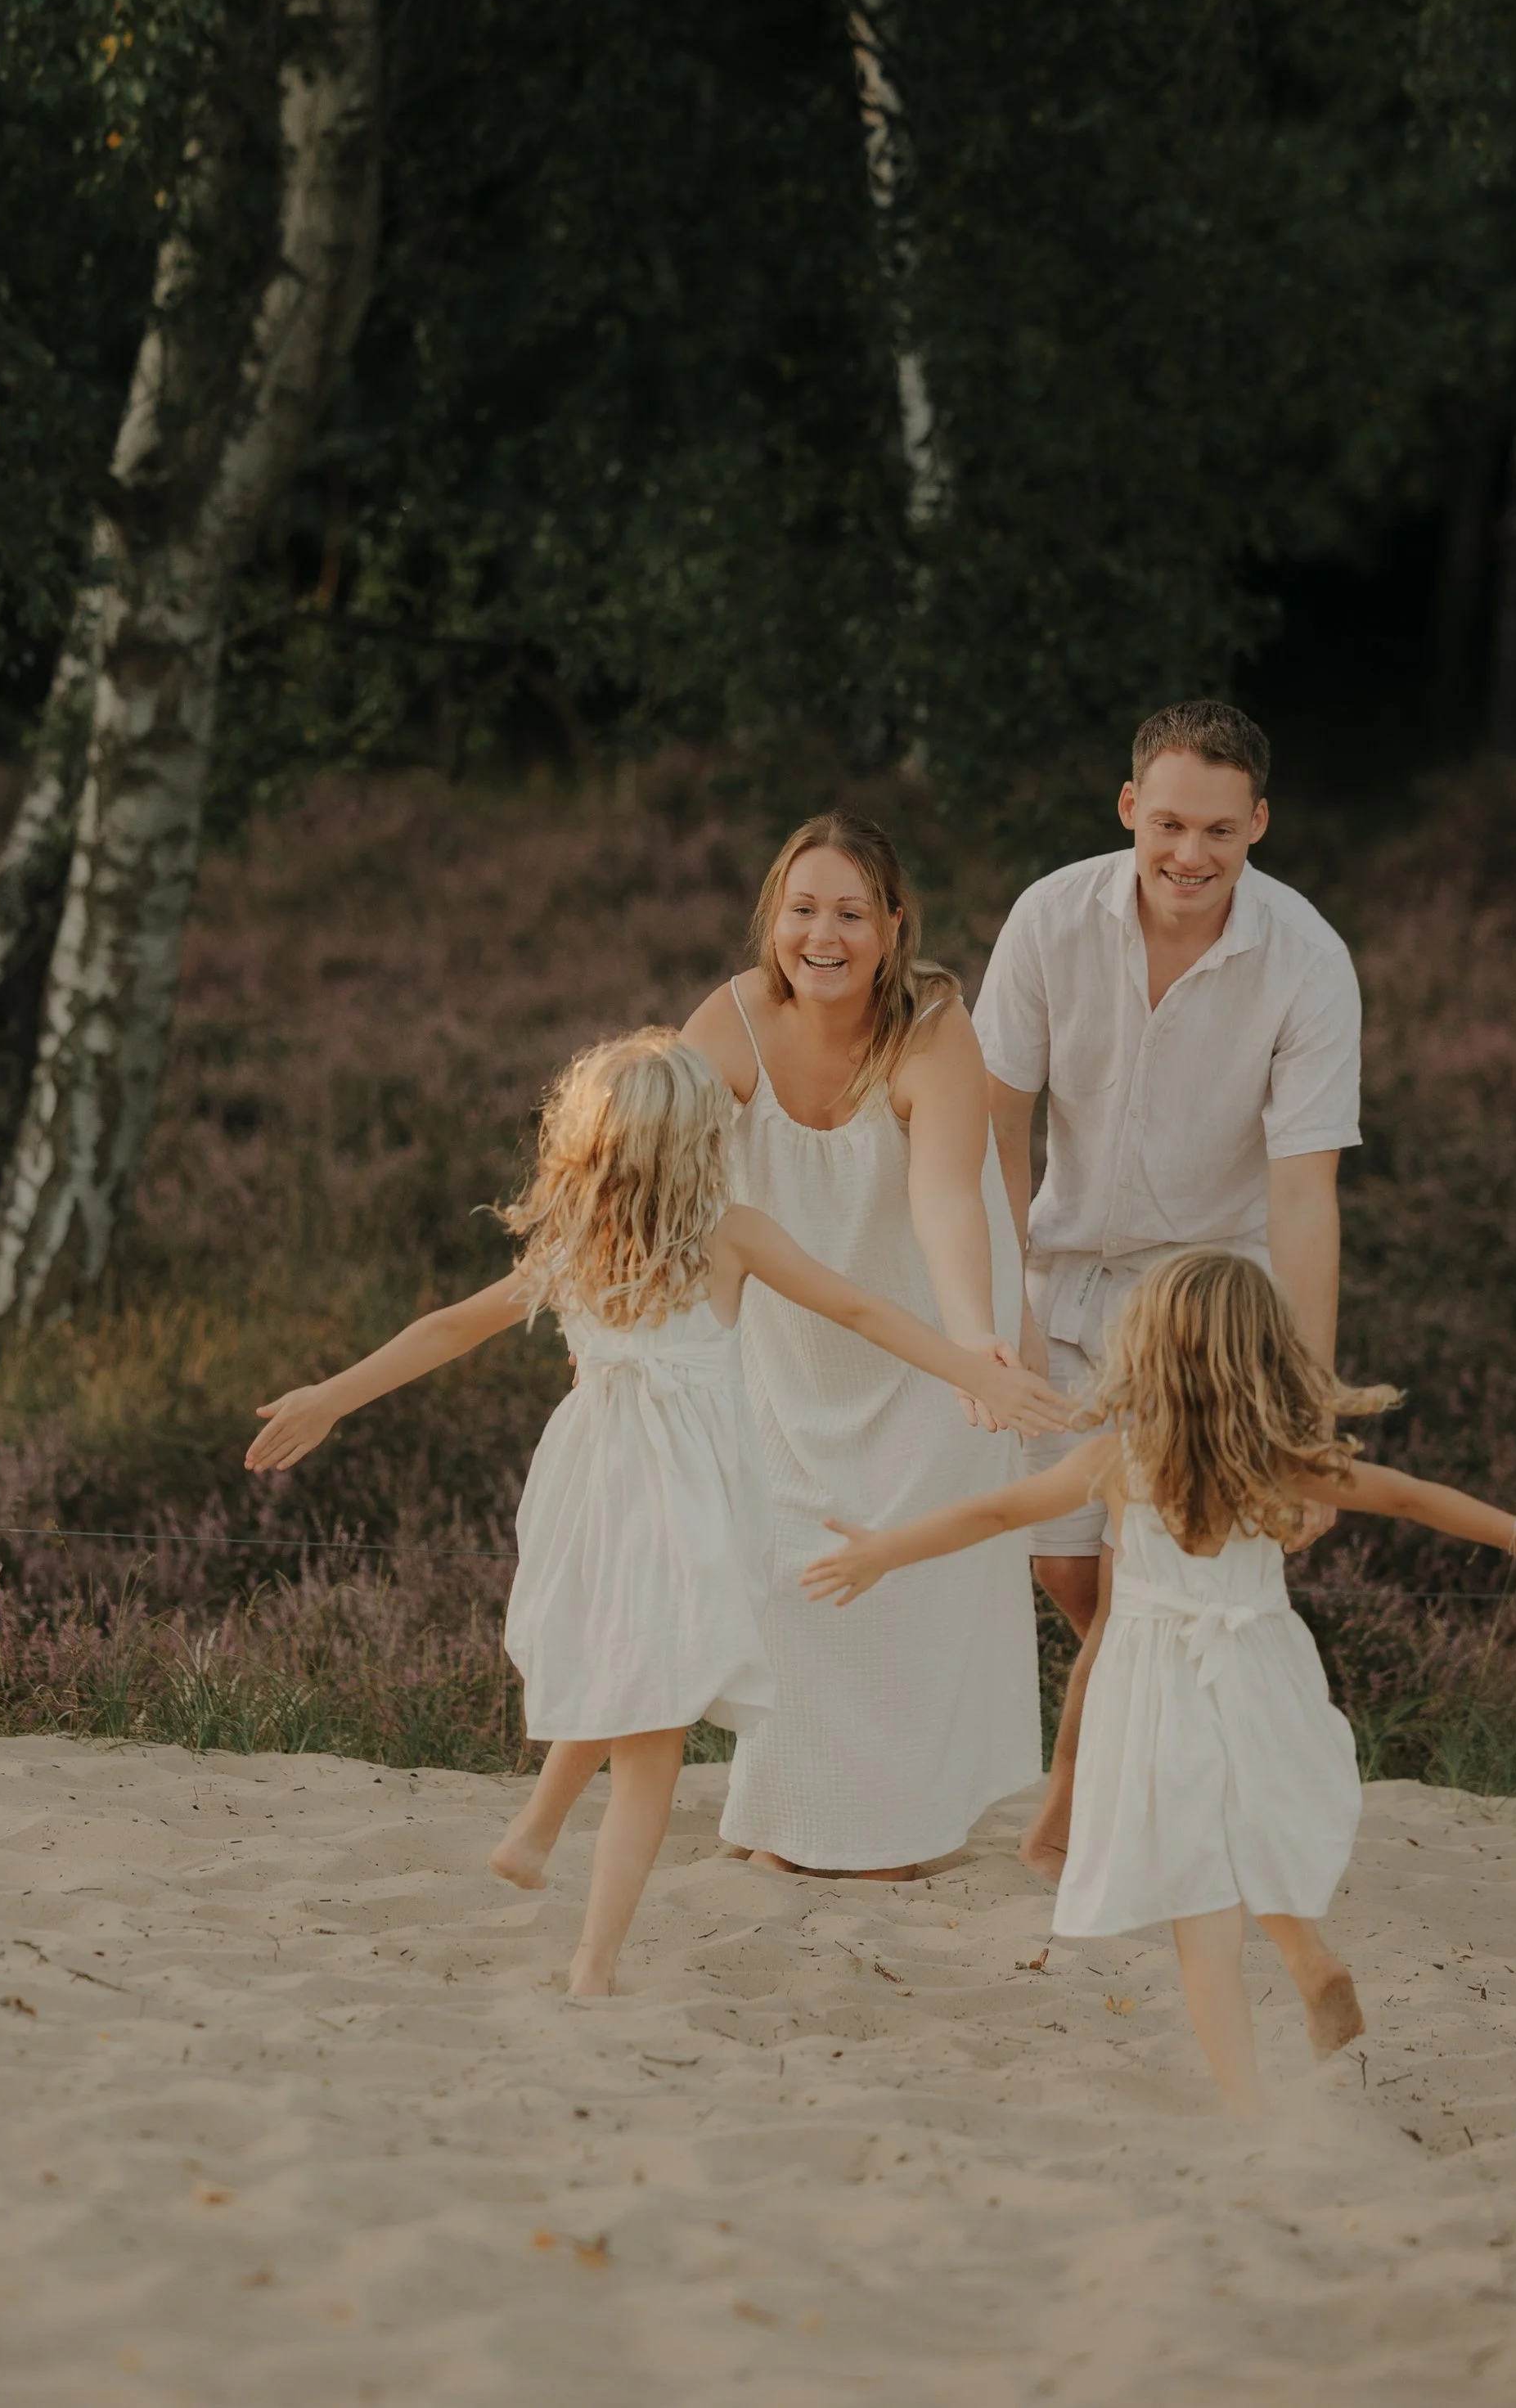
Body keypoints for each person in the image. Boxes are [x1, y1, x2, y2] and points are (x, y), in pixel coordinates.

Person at [245, 1026, 1050, 1999]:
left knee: (634, 1664)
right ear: (703, 1141)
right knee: (655, 1729)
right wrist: (972, 1366)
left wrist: (332, 1396)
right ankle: (592, 1961)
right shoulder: (730, 1232)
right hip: (686, 1507)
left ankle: (538, 1830)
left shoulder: (574, 1245)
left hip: (592, 1493)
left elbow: (450, 1327)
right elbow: (859, 1311)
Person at [802, 1246, 1516, 2118]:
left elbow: (995, 1513)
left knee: (1197, 1901)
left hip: (1154, 1687)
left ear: (1146, 1349)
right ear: (1265, 1355)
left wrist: (884, 1548)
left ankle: (1246, 2106)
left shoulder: (1116, 1460)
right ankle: (1305, 1959)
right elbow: (1408, 1497)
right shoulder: (1279, 1460)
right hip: (1258, 1668)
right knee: (1252, 1828)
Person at [972, 698, 1361, 1878]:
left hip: (1210, 1302)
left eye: (1222, 831)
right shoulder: (1050, 917)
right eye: (1172, 822)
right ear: (1132, 806)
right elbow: (995, 1131)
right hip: (1061, 1271)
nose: (1193, 855)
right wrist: (1008, 1312)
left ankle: (1072, 1808)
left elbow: (1304, 1197)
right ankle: (1205, 1719)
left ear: (1259, 824)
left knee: (1160, 1556)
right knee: (1066, 1562)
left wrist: (1306, 1408)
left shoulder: (1308, 961)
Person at [685, 814, 1068, 1879]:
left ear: (893, 927)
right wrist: (631, 1320)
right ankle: (788, 1817)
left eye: (852, 912)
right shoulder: (731, 1018)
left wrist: (976, 1342)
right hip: (793, 1332)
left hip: (930, 1326)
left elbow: (950, 1196)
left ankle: (896, 1835)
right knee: (791, 1563)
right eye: (803, 909)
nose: (825, 933)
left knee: (899, 1576)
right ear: (774, 918)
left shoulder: (934, 1027)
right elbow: (659, 1169)